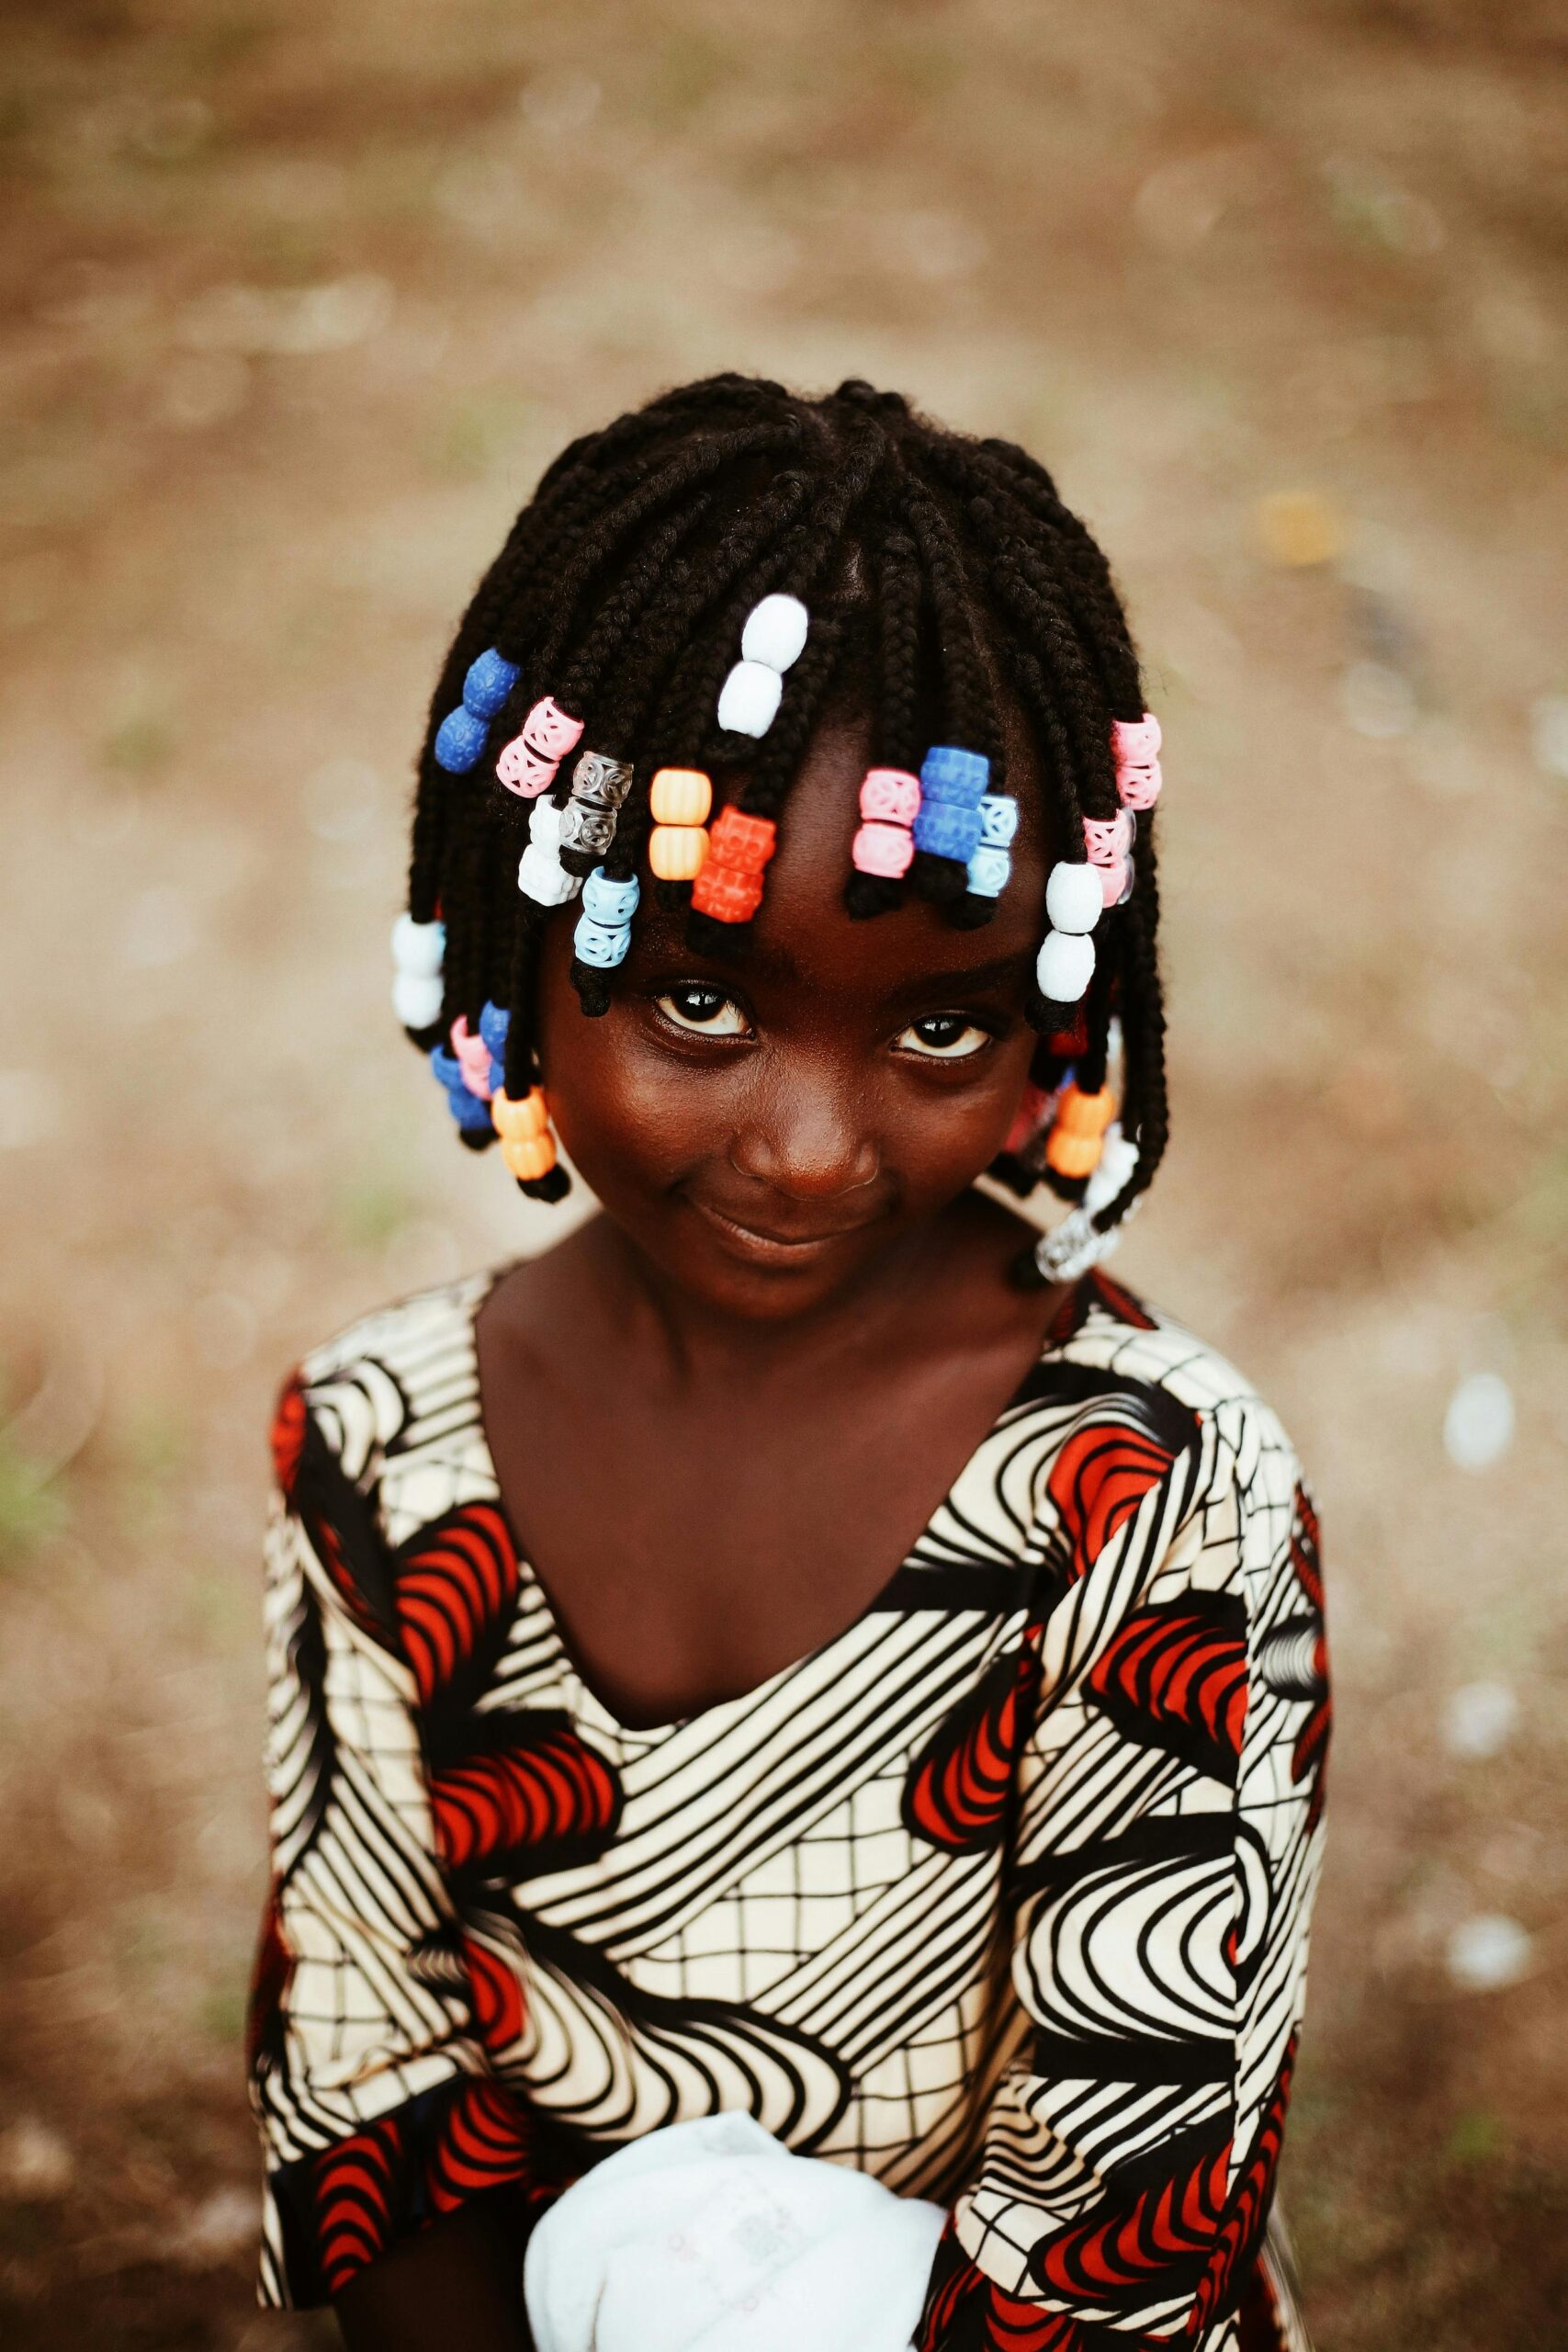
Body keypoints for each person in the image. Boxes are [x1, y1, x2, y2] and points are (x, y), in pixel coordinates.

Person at [246, 376, 1329, 2352]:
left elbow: (1114, 2219)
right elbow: (369, 2064)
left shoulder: (1149, 1497)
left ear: (1059, 1008)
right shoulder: (379, 1445)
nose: (814, 1151)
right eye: (696, 999)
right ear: (515, 940)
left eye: (942, 1029)